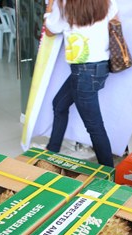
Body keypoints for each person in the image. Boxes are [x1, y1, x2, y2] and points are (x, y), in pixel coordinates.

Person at [44, 0, 117, 167]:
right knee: (59, 104)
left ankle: (109, 173)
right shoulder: (107, 2)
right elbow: (115, 22)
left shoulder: (64, 5)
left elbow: (49, 30)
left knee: (95, 127)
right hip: (101, 67)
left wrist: (49, 7)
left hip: (84, 71)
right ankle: (52, 150)